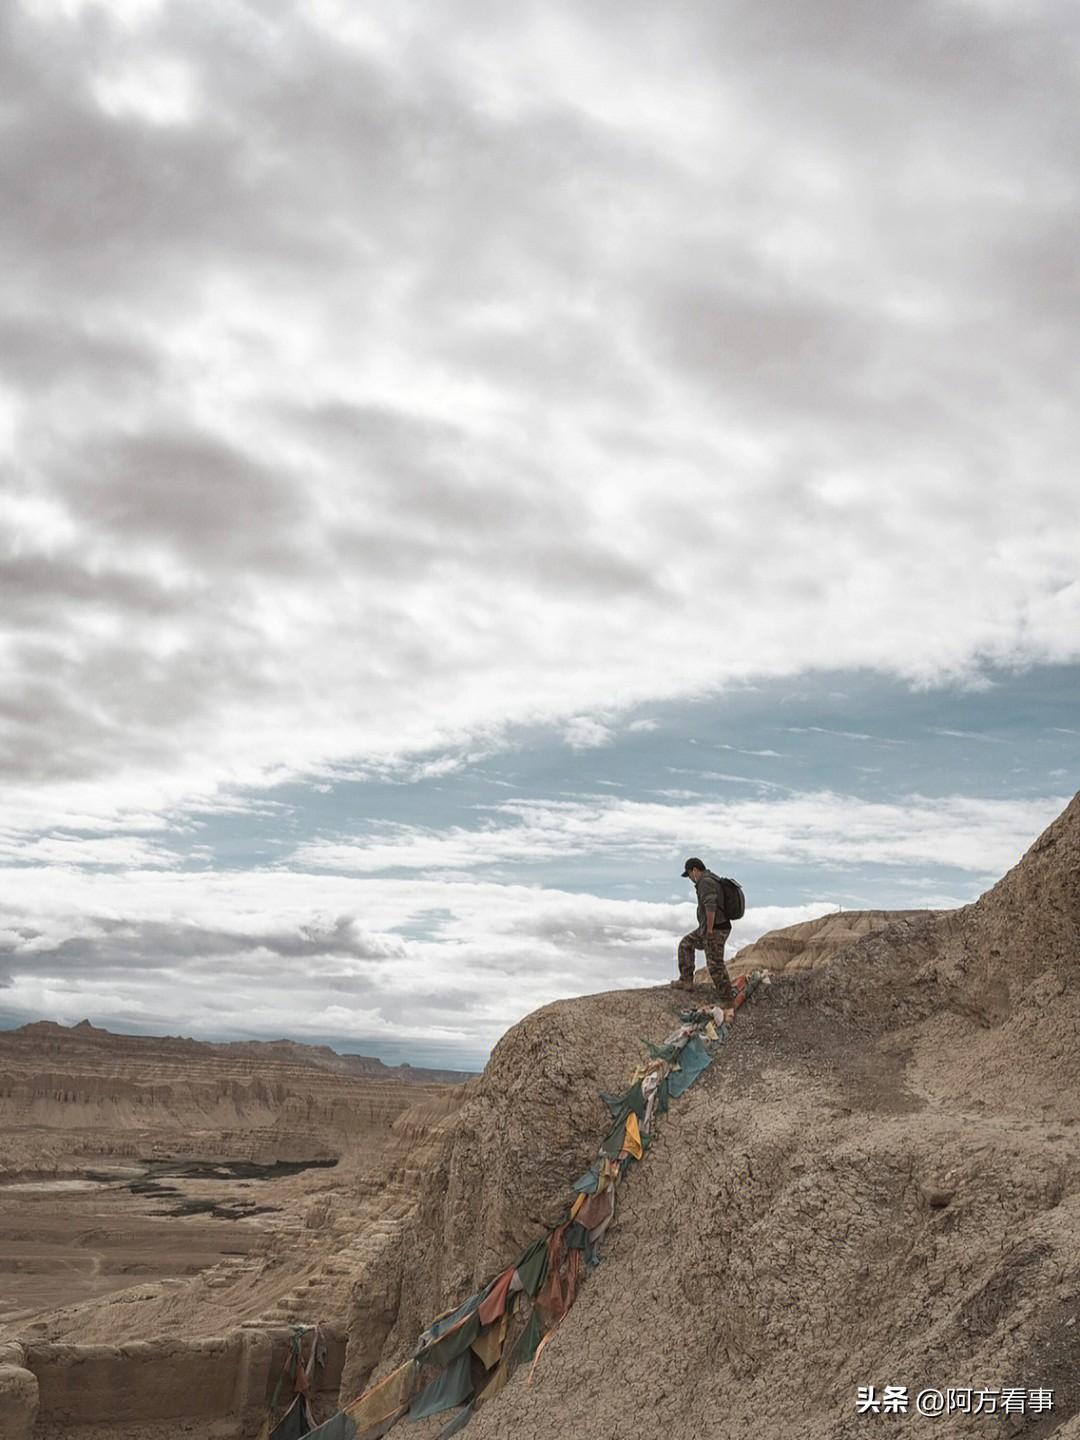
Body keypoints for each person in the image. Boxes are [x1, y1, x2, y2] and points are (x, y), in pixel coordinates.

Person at [674, 857, 735, 1003]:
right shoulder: (710, 879)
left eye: (689, 874)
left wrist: (709, 929)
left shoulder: (705, 882)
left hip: (715, 928)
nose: (689, 878)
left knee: (715, 964)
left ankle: (727, 999)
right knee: (686, 944)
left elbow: (710, 905)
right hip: (713, 927)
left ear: (695, 870)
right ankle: (686, 980)